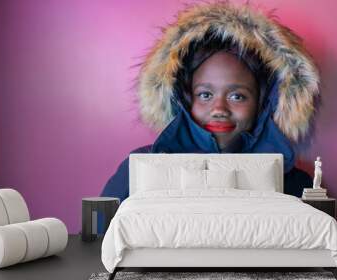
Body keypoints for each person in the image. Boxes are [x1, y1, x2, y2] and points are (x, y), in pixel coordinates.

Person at [101, 2, 318, 201]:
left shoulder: (292, 182)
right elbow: (96, 238)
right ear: (184, 100)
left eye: (237, 96)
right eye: (205, 95)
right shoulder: (139, 169)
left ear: (263, 104)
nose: (219, 109)